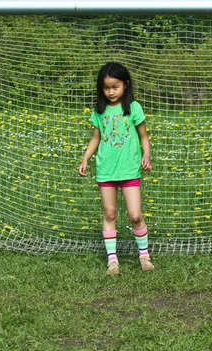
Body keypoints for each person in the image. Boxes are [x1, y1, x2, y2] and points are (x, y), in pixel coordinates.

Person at [79, 62, 155, 275]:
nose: (111, 92)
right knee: (110, 213)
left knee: (135, 215)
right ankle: (113, 261)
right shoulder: (99, 111)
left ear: (125, 85)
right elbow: (96, 138)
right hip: (106, 170)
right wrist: (85, 158)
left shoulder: (134, 108)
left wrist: (146, 154)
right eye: (106, 87)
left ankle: (144, 257)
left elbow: (143, 136)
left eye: (115, 86)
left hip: (129, 169)